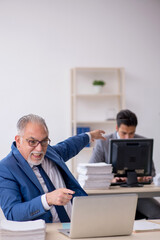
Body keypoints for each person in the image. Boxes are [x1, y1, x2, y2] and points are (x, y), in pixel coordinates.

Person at [0, 114, 105, 223]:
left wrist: (89, 135)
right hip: (46, 233)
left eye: (44, 141)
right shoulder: (6, 168)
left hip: (75, 223)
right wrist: (47, 199)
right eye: (32, 142)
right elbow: (12, 213)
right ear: (18, 141)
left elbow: (69, 146)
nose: (39, 148)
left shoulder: (49, 152)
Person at [90, 109, 160, 219]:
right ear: (117, 128)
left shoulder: (143, 142)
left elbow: (152, 173)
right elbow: (91, 171)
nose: (128, 137)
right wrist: (110, 180)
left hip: (137, 194)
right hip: (111, 194)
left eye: (131, 133)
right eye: (124, 133)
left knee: (157, 212)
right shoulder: (102, 143)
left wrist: (144, 178)